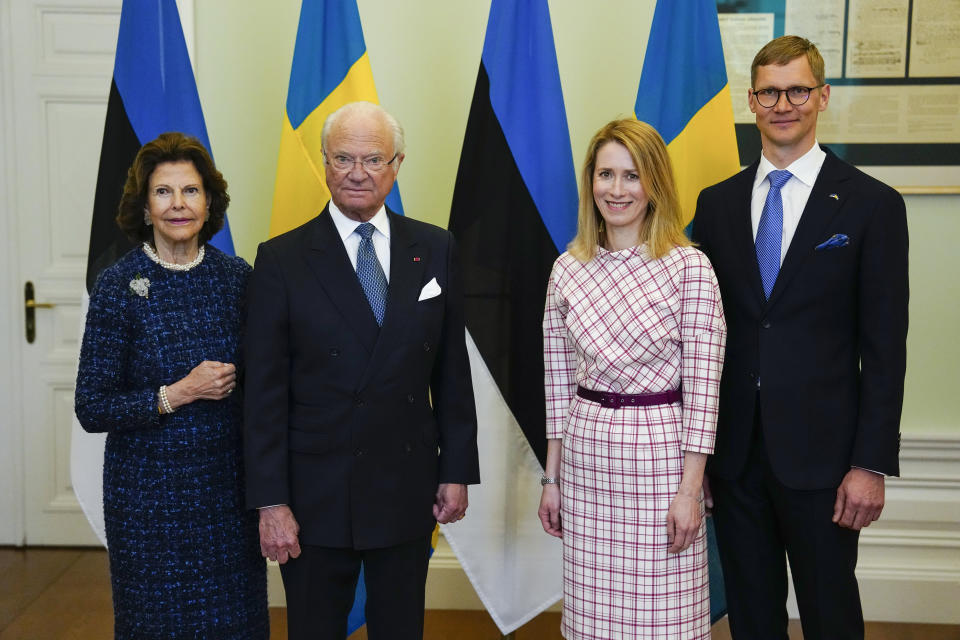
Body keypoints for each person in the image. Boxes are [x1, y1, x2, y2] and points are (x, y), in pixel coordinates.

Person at [692, 36, 909, 639]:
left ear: (822, 97)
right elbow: (699, 335)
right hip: (734, 458)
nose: (783, 103)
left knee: (830, 613)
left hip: (827, 463)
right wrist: (698, 456)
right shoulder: (715, 206)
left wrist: (870, 463)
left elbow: (886, 348)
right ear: (753, 102)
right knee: (752, 617)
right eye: (769, 92)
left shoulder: (872, 205)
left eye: (797, 90)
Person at [244, 101, 480, 640]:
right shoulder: (281, 259)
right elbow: (262, 394)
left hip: (405, 484)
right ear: (324, 163)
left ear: (397, 164)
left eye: (373, 159)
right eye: (343, 158)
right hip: (313, 494)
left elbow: (451, 373)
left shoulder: (436, 247)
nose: (357, 173)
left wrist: (456, 468)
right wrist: (271, 501)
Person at [538, 118, 726, 639]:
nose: (616, 190)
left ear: (655, 184)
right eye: (605, 175)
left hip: (661, 463)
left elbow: (705, 391)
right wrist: (551, 481)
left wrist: (691, 490)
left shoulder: (690, 268)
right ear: (589, 183)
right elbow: (557, 387)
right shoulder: (566, 270)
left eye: (631, 175)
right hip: (586, 463)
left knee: (665, 621)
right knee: (592, 624)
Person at [75, 132, 268, 638]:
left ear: (209, 203)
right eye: (163, 192)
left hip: (227, 495)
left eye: (191, 191)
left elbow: (266, 383)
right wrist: (178, 392)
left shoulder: (238, 279)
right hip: (147, 502)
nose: (178, 204)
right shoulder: (118, 285)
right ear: (144, 207)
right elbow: (92, 407)